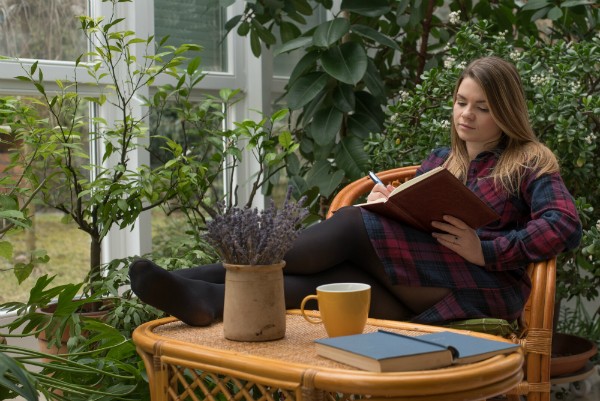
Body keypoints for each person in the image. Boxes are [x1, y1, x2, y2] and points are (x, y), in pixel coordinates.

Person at [129, 56, 582, 327]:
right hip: (418, 284)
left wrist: (486, 250)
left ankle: (206, 273)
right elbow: (417, 223)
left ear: (505, 110)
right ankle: (207, 298)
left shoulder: (529, 159)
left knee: (349, 225)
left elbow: (563, 224)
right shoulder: (444, 161)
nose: (466, 115)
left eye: (482, 107)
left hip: (481, 288)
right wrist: (392, 207)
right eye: (461, 102)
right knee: (330, 282)